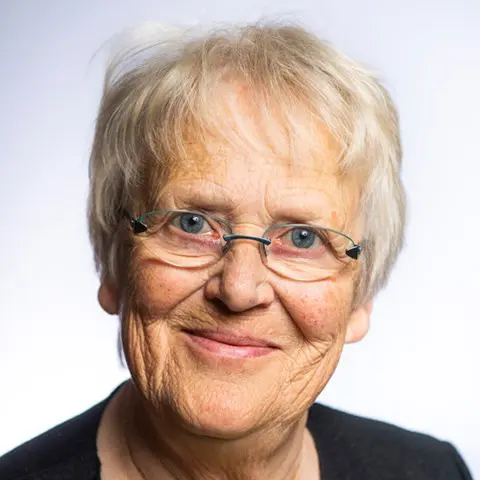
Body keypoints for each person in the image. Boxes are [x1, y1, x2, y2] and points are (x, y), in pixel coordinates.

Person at [0, 20, 473, 480]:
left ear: (361, 296)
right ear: (113, 262)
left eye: (303, 238)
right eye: (191, 223)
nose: (240, 290)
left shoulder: (431, 470)